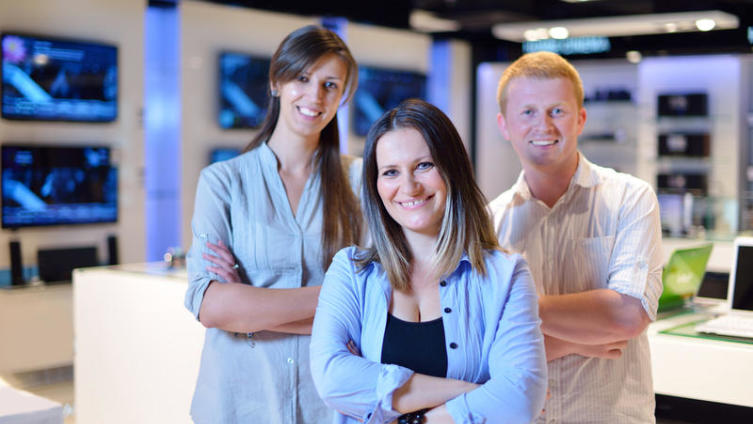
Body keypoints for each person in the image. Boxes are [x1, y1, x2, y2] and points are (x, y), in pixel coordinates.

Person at [310, 99, 548, 424]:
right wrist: (473, 392)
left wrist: (412, 418)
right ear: (376, 186)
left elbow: (519, 401)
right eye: (391, 172)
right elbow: (333, 380)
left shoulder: (505, 276)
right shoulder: (351, 271)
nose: (408, 187)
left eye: (424, 165)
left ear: (452, 169)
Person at [184, 25, 363, 423]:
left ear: (343, 97)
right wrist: (341, 300)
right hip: (241, 404)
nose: (315, 96)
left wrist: (249, 312)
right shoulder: (222, 182)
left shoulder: (361, 182)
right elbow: (211, 306)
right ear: (276, 82)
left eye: (330, 85)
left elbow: (380, 302)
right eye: (302, 78)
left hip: (328, 407)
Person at [489, 51, 663, 423]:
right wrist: (574, 339)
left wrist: (512, 310)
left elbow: (627, 316)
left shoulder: (631, 199)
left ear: (580, 119)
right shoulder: (489, 221)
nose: (544, 126)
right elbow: (482, 348)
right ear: (504, 125)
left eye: (557, 111)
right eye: (528, 112)